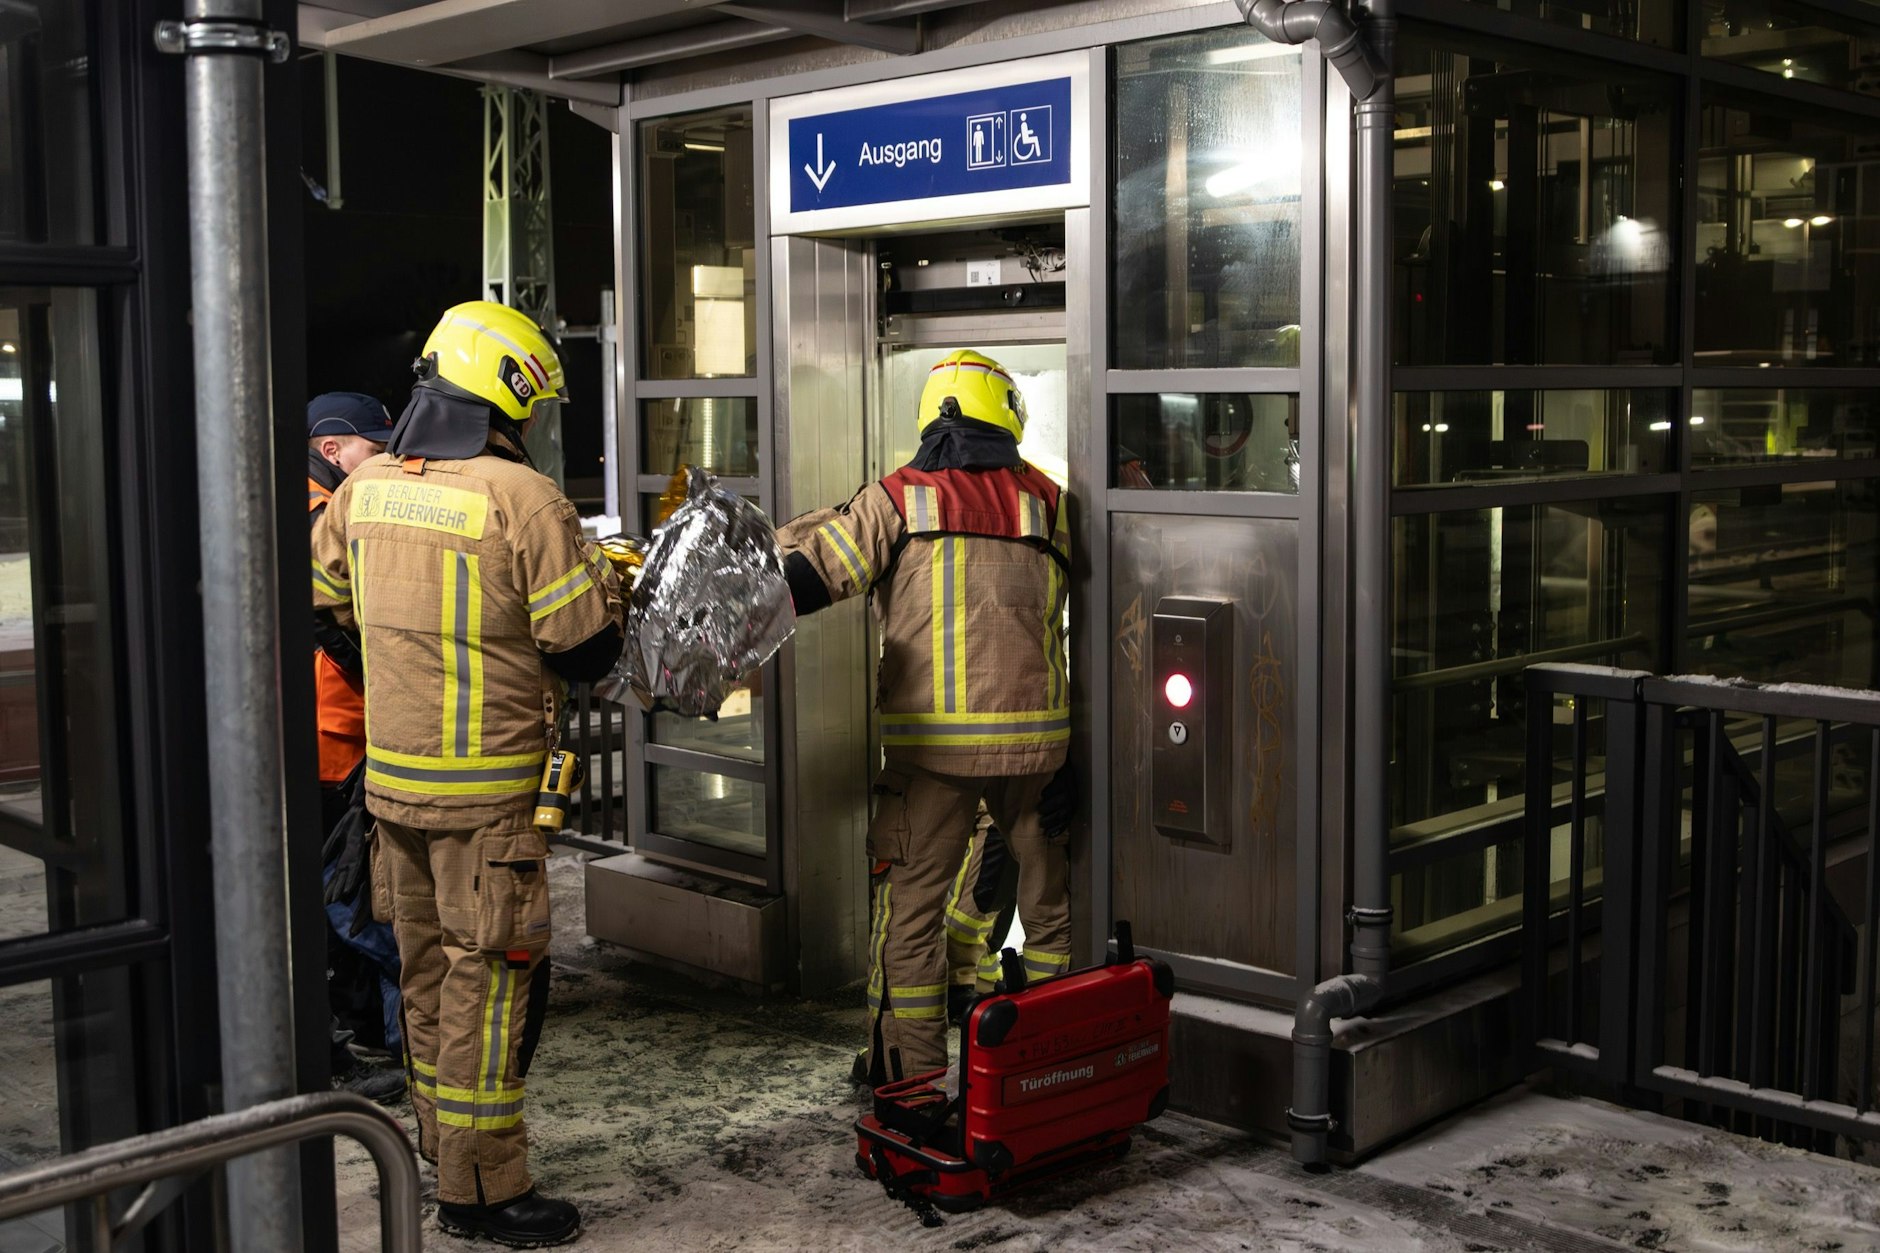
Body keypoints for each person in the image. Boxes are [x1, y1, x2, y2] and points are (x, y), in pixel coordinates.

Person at [311, 301, 624, 1248]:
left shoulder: (366, 490)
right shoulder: (521, 498)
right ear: (510, 393)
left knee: (426, 975)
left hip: (392, 791)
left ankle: (440, 1154)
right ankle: (485, 1190)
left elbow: (327, 598)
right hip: (488, 800)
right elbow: (584, 648)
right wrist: (605, 576)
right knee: (489, 988)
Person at [777, 349, 1076, 1088]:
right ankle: (1048, 1066)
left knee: (908, 915)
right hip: (1038, 756)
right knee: (1049, 913)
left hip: (931, 755)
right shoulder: (1050, 502)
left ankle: (907, 1079)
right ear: (1006, 417)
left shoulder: (897, 497)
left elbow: (808, 582)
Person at [306, 393, 406, 1105]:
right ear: (334, 448)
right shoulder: (322, 514)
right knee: (345, 893)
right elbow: (341, 630)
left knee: (337, 892)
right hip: (332, 736)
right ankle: (352, 1047)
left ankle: (355, 1023)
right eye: (376, 446)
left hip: (319, 732)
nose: (391, 459)